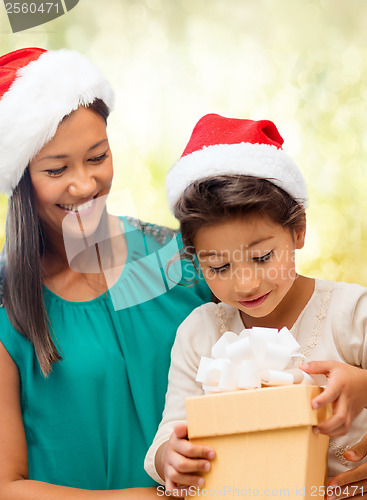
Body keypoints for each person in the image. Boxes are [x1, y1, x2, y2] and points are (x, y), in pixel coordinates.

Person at [0, 47, 212, 498]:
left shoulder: (178, 260)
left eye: (97, 157)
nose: (85, 184)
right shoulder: (7, 310)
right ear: (19, 180)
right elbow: (6, 484)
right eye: (57, 169)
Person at [144, 114, 367, 498]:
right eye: (219, 266)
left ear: (298, 232)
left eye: (262, 257)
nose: (245, 283)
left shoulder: (351, 313)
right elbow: (170, 433)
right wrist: (171, 457)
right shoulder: (200, 333)